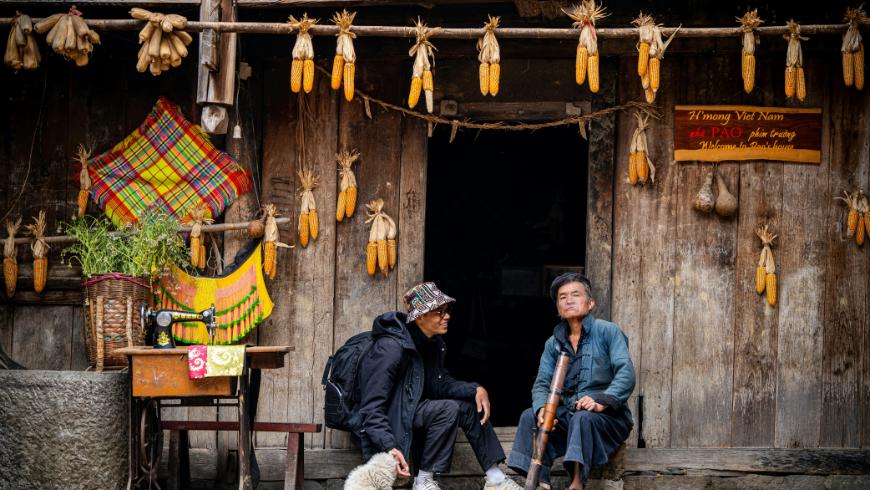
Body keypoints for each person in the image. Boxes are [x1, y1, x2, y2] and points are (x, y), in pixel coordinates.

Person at [353, 282, 522, 490]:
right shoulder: (390, 348)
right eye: (439, 312)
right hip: (392, 426)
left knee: (470, 406)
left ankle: (496, 479)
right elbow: (371, 408)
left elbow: (440, 385)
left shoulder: (432, 344)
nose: (447, 316)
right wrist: (389, 447)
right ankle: (424, 481)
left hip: (412, 417)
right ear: (419, 317)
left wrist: (476, 389)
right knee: (447, 408)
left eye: (447, 310)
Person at [507, 273, 635, 490]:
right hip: (567, 415)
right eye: (562, 297)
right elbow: (541, 384)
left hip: (607, 418)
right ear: (558, 308)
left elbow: (626, 374)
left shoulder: (608, 331)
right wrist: (542, 410)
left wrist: (600, 403)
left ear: (590, 302)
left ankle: (576, 483)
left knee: (583, 417)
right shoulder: (553, 344)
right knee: (530, 415)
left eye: (575, 295)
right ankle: (541, 482)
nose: (568, 300)